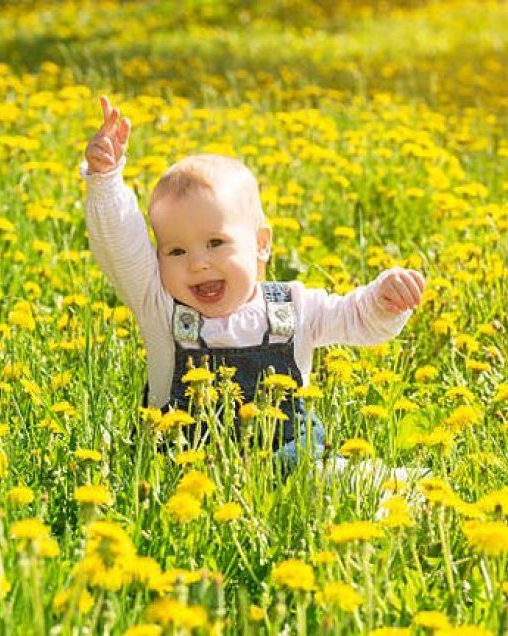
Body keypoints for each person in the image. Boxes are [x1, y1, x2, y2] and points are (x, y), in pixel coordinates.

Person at [82, 96, 425, 473]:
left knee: (353, 480)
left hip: (292, 472)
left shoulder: (293, 308)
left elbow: (357, 318)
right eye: (176, 250)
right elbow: (120, 245)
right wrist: (106, 179)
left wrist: (384, 300)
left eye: (216, 243)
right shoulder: (162, 308)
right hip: (190, 474)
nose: (197, 263)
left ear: (261, 245)